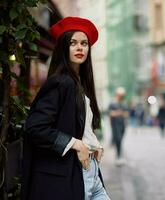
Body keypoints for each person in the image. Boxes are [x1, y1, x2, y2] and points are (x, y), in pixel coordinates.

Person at [22, 17, 110, 200]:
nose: (80, 48)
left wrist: (93, 143)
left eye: (84, 43)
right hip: (70, 174)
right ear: (64, 47)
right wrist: (76, 143)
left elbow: (77, 125)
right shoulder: (60, 82)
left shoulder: (80, 84)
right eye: (73, 43)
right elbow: (35, 127)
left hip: (91, 171)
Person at [108, 87, 129, 165]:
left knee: (120, 140)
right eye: (120, 95)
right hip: (115, 125)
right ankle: (118, 156)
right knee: (118, 140)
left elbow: (126, 114)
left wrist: (118, 113)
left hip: (122, 125)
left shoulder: (124, 104)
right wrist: (119, 113)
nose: (121, 96)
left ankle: (119, 156)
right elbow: (110, 114)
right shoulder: (113, 103)